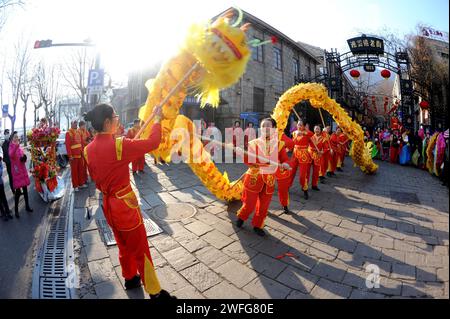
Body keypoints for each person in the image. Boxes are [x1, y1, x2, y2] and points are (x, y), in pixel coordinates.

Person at [83, 103, 174, 299]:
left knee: (122, 243)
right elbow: (153, 142)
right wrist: (157, 119)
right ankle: (155, 292)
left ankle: (130, 277)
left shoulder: (87, 150)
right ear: (107, 122)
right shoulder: (118, 145)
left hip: (107, 205)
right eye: (115, 117)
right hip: (124, 205)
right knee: (141, 248)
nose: (118, 120)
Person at [235, 118, 292, 236]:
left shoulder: (279, 145)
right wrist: (242, 153)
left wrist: (286, 163)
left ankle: (258, 225)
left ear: (274, 129)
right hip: (254, 178)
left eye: (268, 125)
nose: (265, 128)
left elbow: (285, 159)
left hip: (269, 179)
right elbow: (249, 162)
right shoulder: (254, 143)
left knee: (264, 206)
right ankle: (242, 217)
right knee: (249, 204)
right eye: (263, 126)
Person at [9, 131, 33, 217]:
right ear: (12, 139)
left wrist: (24, 158)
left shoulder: (19, 147)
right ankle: (16, 210)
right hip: (17, 172)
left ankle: (27, 206)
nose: (17, 138)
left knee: (25, 190)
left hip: (22, 171)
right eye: (15, 137)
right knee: (18, 193)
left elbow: (22, 158)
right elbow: (11, 155)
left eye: (17, 136)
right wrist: (16, 145)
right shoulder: (11, 147)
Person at [292, 120, 314, 199]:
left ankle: (305, 189)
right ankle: (287, 186)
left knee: (302, 175)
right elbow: (293, 142)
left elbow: (312, 134)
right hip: (295, 154)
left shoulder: (307, 133)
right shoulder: (294, 133)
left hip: (304, 155)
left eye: (301, 125)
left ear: (304, 126)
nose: (299, 126)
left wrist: (303, 133)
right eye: (298, 125)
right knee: (291, 171)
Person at [66, 120, 88, 191]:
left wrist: (82, 152)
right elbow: (68, 145)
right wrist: (70, 155)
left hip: (80, 154)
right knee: (74, 172)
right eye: (74, 124)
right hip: (73, 156)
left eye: (76, 124)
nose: (75, 125)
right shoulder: (68, 133)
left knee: (81, 170)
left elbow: (81, 142)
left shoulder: (78, 132)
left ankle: (81, 184)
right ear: (71, 124)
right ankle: (75, 186)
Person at [276, 133, 295, 214]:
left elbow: (291, 143)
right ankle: (262, 206)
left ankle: (284, 204)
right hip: (264, 168)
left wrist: (285, 148)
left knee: (283, 187)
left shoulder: (281, 135)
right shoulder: (259, 141)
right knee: (263, 189)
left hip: (278, 166)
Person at [309, 125, 324, 191]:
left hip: (318, 156)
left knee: (316, 171)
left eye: (318, 129)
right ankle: (305, 185)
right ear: (314, 129)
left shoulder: (323, 138)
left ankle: (314, 185)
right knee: (307, 171)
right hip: (310, 155)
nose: (317, 130)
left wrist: (322, 151)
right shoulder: (311, 137)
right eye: (316, 129)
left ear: (320, 130)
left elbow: (326, 148)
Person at [0, 148, 12, 221]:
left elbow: (1, 169)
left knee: (3, 197)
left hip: (0, 182)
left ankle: (7, 211)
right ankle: (3, 213)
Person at [1, 129, 14, 194]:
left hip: (14, 164)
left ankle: (18, 189)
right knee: (11, 178)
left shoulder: (12, 142)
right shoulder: (3, 145)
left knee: (16, 177)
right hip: (9, 165)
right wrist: (8, 161)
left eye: (8, 133)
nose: (7, 134)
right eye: (6, 133)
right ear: (4, 134)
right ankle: (13, 191)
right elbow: (3, 157)